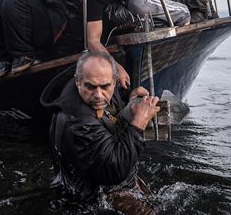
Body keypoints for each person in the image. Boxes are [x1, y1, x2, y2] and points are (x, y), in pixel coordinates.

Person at [42, 51, 159, 204]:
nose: (98, 95)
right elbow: (113, 171)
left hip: (109, 181)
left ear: (114, 81)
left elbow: (106, 121)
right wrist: (138, 123)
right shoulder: (79, 122)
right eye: (90, 87)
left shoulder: (90, 89)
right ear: (78, 81)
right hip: (97, 195)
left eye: (105, 86)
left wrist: (129, 104)